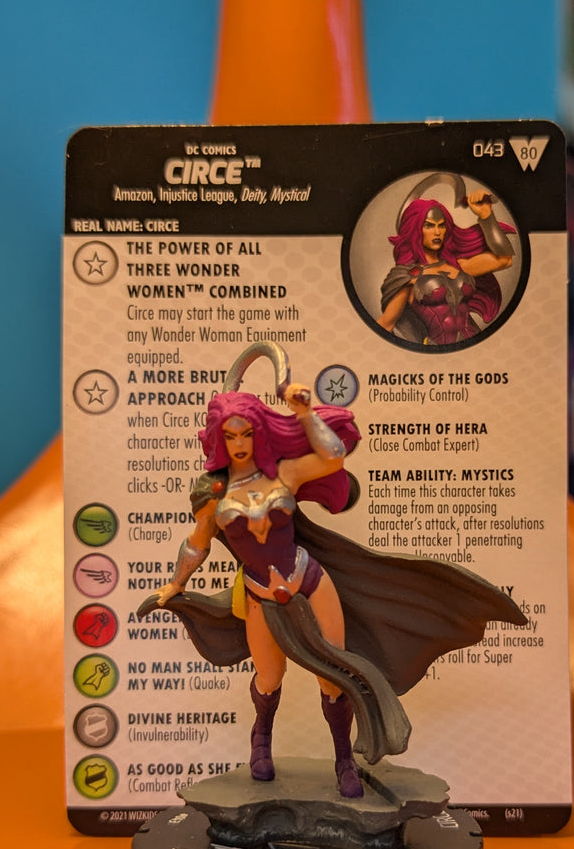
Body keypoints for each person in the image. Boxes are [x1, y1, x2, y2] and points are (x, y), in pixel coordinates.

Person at [140, 342, 526, 800]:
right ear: (217, 438)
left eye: (247, 433)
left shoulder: (284, 475)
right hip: (260, 594)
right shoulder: (214, 493)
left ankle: (344, 757)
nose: (240, 444)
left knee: (333, 673)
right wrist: (176, 584)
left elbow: (333, 457)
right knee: (269, 679)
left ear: (260, 433)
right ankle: (261, 738)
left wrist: (304, 413)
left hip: (308, 580)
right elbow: (197, 542)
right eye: (231, 435)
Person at [379, 192, 515, 345]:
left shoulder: (458, 266)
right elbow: (385, 324)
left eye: (441, 225)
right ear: (416, 229)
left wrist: (486, 215)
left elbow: (505, 260)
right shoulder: (409, 276)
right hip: (436, 351)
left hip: (475, 345)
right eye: (429, 225)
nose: (437, 232)